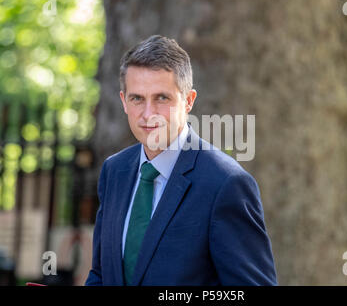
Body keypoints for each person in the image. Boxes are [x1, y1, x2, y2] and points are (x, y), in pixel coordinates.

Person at [85, 35, 277, 286]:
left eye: (161, 98)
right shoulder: (114, 171)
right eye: (137, 99)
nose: (148, 114)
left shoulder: (226, 184)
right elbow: (101, 274)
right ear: (123, 101)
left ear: (188, 101)